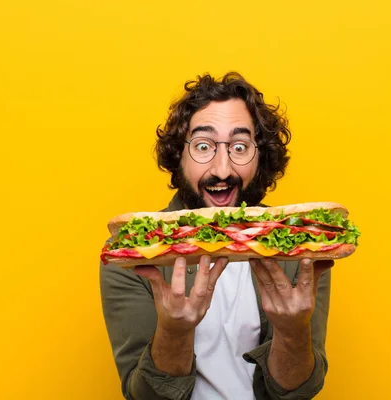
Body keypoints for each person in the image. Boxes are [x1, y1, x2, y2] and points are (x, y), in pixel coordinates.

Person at [100, 72, 334, 400]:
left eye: (240, 146)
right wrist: (174, 331)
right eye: (203, 146)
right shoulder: (131, 255)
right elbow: (143, 396)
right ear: (178, 156)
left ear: (260, 156)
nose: (222, 169)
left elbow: (298, 392)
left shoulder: (300, 248)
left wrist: (292, 332)